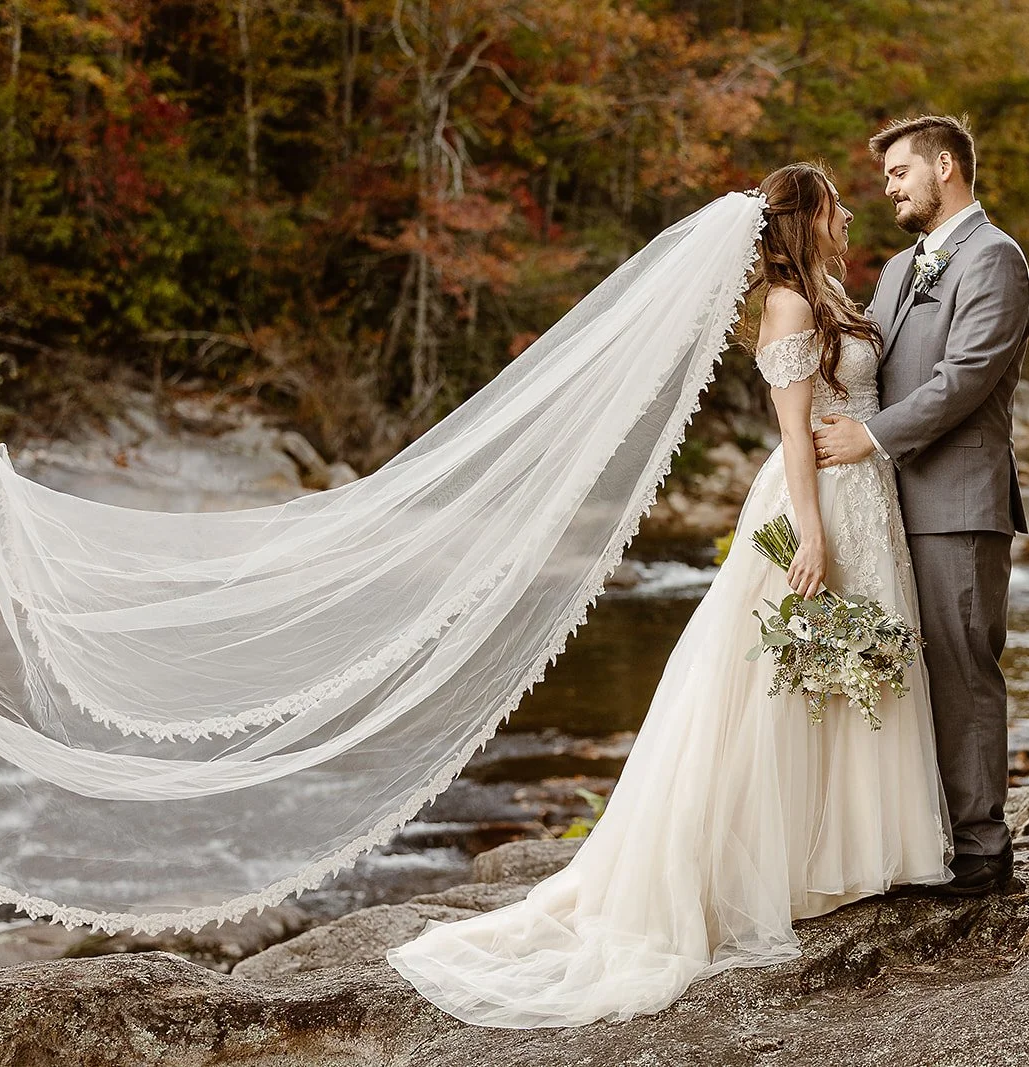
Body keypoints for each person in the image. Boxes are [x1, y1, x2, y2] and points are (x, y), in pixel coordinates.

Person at [384, 161, 953, 1028]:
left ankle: (851, 854)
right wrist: (809, 530)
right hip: (821, 504)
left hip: (869, 502)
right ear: (808, 218)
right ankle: (772, 867)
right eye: (837, 203)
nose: (851, 212)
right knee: (785, 686)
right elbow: (795, 434)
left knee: (855, 677)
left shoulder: (834, 289)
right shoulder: (790, 307)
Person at [814, 114, 1029, 896]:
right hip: (884, 507)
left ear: (946, 165)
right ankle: (923, 837)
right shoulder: (903, 264)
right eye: (885, 180)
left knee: (961, 667)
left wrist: (867, 438)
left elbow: (964, 380)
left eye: (901, 172)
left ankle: (981, 849)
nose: (890, 189)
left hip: (956, 502)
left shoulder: (995, 259)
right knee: (903, 673)